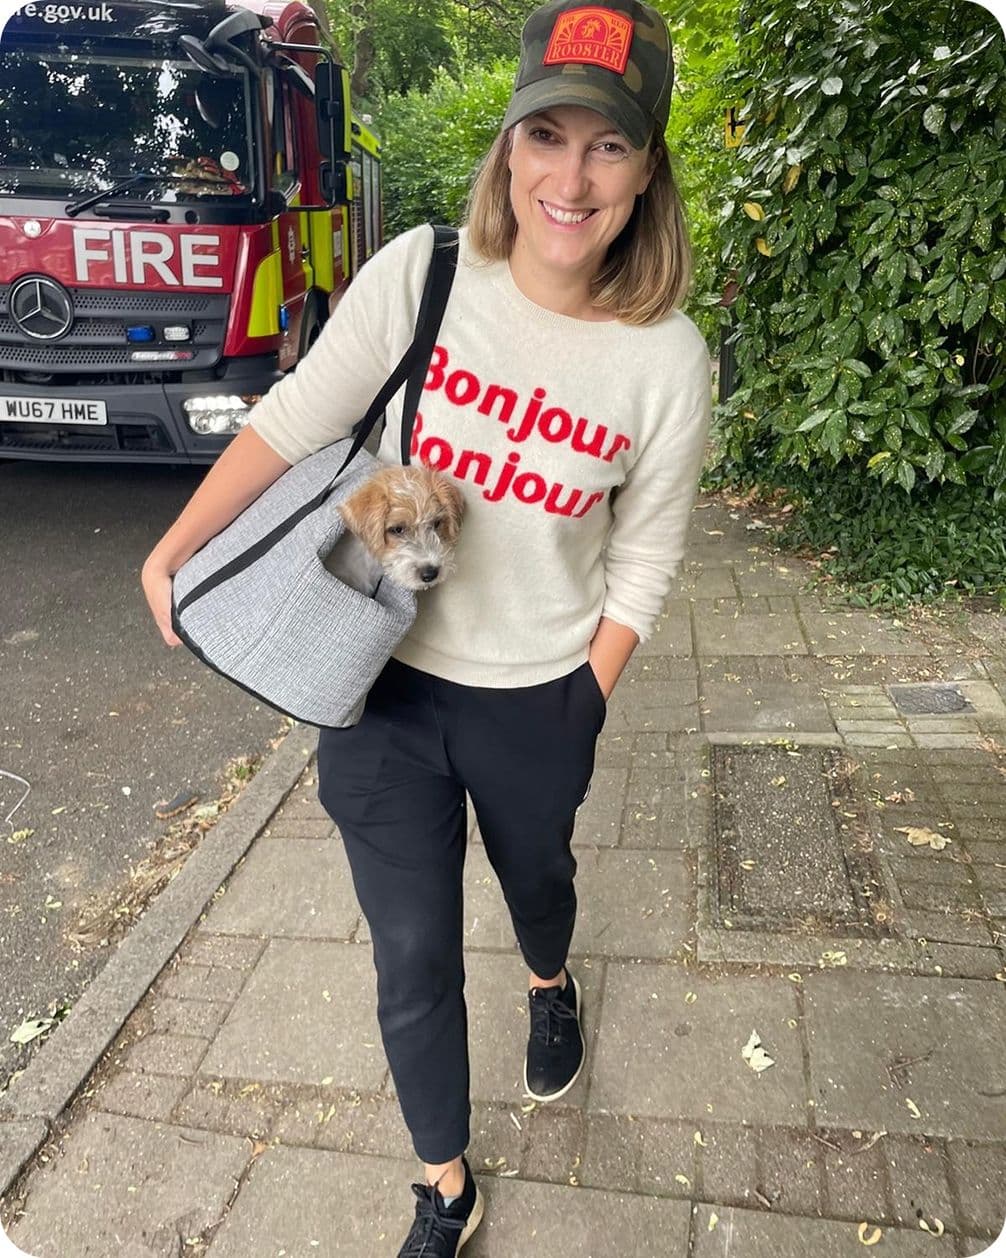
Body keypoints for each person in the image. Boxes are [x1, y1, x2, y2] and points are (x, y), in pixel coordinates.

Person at [141, 1, 712, 1252]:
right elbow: (295, 417)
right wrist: (178, 545)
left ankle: (552, 983)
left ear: (645, 172)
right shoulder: (426, 272)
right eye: (545, 136)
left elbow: (650, 552)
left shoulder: (666, 358)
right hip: (379, 688)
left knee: (538, 889)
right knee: (412, 957)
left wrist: (588, 694)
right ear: (507, 149)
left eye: (607, 147)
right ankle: (444, 1184)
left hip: (537, 698)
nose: (570, 177)